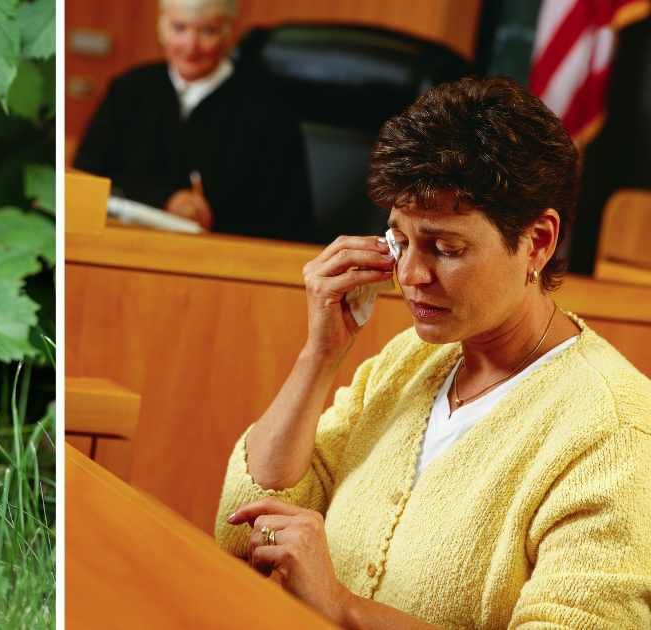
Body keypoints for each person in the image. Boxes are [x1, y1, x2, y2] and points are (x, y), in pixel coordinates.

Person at [213, 76, 651, 629]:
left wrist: (343, 607)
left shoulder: (616, 431)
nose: (411, 275)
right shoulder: (407, 363)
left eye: (445, 247)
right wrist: (319, 355)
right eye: (400, 241)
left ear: (538, 241)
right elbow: (239, 532)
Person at [72, 0, 314, 240]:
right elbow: (85, 180)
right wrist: (166, 200)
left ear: (229, 33)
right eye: (179, 28)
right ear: (161, 28)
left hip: (224, 253)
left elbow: (289, 220)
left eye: (208, 31)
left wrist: (210, 217)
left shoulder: (270, 109)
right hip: (124, 244)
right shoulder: (128, 89)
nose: (191, 46)